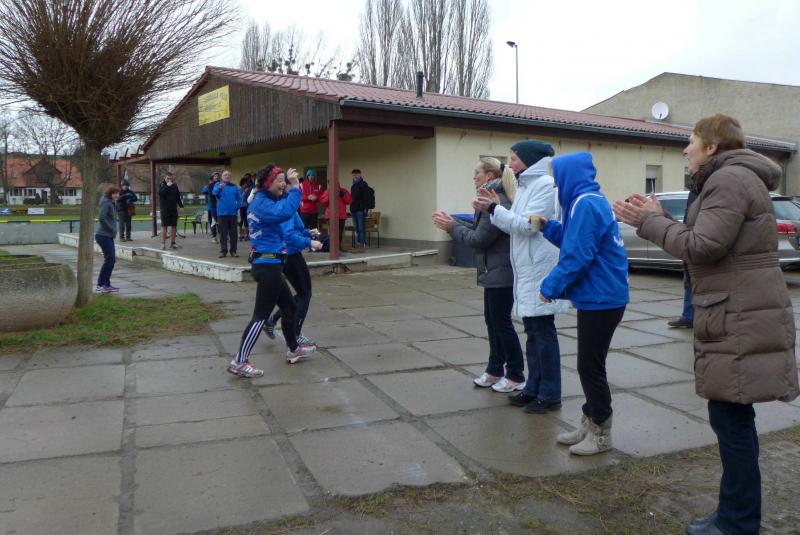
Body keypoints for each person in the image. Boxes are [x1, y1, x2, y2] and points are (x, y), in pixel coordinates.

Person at [613, 114, 799, 535]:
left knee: (732, 422)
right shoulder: (733, 178)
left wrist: (650, 221)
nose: (685, 149)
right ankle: (734, 514)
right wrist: (660, 215)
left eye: (691, 141)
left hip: (738, 312)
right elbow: (711, 239)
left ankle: (737, 522)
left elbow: (703, 246)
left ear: (712, 147)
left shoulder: (728, 180)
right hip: (737, 308)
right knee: (732, 419)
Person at [531, 152, 629, 456]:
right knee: (589, 364)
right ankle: (590, 421)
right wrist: (547, 226)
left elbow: (578, 255)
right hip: (600, 296)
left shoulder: (585, 204)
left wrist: (550, 286)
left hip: (602, 298)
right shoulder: (587, 201)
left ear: (569, 176)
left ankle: (601, 432)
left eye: (557, 178)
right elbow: (575, 239)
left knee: (590, 366)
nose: (555, 184)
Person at [474, 140, 566, 414]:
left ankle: (550, 394)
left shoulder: (544, 186)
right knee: (533, 333)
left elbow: (527, 226)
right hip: (527, 269)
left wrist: (495, 210)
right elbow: (511, 225)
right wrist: (494, 210)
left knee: (543, 335)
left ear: (528, 159)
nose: (510, 164)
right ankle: (533, 388)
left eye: (514, 158)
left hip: (539, 269)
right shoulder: (526, 187)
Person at [432, 157, 524, 392]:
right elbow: (477, 230)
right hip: (493, 271)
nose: (473, 177)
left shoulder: (496, 200)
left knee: (501, 324)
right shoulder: (489, 199)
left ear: (489, 176)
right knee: (493, 322)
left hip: (501, 272)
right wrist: (454, 222)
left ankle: (515, 374)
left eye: (477, 173)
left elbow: (479, 239)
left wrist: (452, 227)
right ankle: (495, 370)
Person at [228, 164, 316, 378]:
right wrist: (296, 187)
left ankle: (294, 349)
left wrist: (305, 233)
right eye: (280, 180)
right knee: (260, 316)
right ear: (267, 183)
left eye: (284, 180)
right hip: (267, 265)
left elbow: (285, 211)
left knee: (290, 307)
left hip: (272, 264)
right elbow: (285, 211)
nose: (283, 184)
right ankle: (240, 361)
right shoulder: (262, 203)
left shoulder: (265, 200)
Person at [263, 211, 323, 346]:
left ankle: (272, 321)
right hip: (290, 255)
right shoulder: (286, 208)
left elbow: (294, 230)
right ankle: (295, 334)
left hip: (289, 253)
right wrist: (309, 242)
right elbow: (288, 235)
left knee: (302, 294)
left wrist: (307, 233)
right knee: (305, 294)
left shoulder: (288, 207)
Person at [667, 188, 699, 329]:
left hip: (697, 240)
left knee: (697, 282)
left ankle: (694, 317)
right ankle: (688, 316)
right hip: (690, 239)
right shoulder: (695, 190)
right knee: (688, 282)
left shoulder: (706, 188)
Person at [95, 185, 121, 293]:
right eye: (114, 193)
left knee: (111, 260)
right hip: (103, 235)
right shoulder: (106, 203)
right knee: (110, 260)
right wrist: (111, 229)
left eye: (118, 193)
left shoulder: (111, 202)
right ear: (110, 194)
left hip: (107, 236)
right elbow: (102, 218)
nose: (117, 195)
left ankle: (106, 284)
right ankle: (101, 285)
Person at [213, 170, 242, 258]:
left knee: (233, 233)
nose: (227, 176)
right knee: (223, 233)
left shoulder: (234, 187)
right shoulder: (218, 184)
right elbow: (214, 192)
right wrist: (219, 188)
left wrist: (237, 206)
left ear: (230, 177)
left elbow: (240, 198)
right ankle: (223, 251)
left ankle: (233, 251)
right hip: (222, 213)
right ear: (222, 177)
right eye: (225, 175)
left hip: (233, 213)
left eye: (228, 175)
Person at [320, 184, 352, 250]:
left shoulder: (344, 191)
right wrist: (329, 196)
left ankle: (338, 247)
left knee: (340, 233)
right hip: (331, 216)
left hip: (341, 216)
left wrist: (343, 196)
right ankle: (332, 248)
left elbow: (349, 201)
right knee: (333, 232)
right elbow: (323, 202)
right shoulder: (327, 191)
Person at [349, 168, 375, 248]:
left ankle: (362, 243)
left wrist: (365, 208)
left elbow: (366, 198)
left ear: (360, 175)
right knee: (356, 227)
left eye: (356, 174)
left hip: (360, 209)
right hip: (353, 209)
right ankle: (359, 242)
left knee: (361, 227)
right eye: (353, 175)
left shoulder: (363, 185)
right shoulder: (353, 186)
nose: (355, 176)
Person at [158, 171, 183, 250]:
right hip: (165, 209)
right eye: (168, 178)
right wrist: (167, 186)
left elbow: (178, 197)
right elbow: (160, 193)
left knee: (174, 226)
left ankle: (173, 243)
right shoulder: (162, 184)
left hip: (173, 209)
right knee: (164, 226)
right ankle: (163, 243)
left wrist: (181, 206)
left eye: (170, 178)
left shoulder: (174, 185)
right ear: (164, 178)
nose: (169, 180)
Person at [201, 173, 220, 243]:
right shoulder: (210, 186)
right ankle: (214, 237)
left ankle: (222, 235)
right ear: (212, 178)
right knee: (213, 221)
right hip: (212, 206)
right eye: (215, 176)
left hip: (220, 206)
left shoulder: (221, 184)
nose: (216, 177)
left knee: (221, 221)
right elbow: (206, 192)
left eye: (217, 176)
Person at [239, 174, 253, 242]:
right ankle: (240, 234)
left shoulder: (249, 189)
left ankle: (246, 235)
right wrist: (244, 192)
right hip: (241, 207)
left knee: (246, 221)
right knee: (241, 221)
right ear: (243, 183)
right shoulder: (240, 189)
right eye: (245, 183)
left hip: (247, 207)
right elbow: (240, 198)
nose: (246, 184)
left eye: (247, 183)